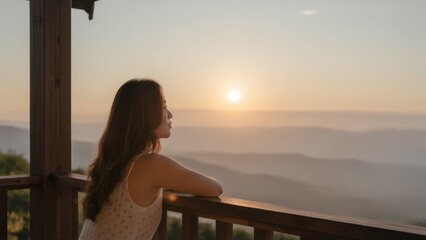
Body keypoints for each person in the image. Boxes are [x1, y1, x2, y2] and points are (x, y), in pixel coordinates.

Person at [78, 79, 223, 240]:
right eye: (163, 107)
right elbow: (215, 188)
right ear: (145, 114)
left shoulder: (111, 162)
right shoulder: (150, 165)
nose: (170, 114)